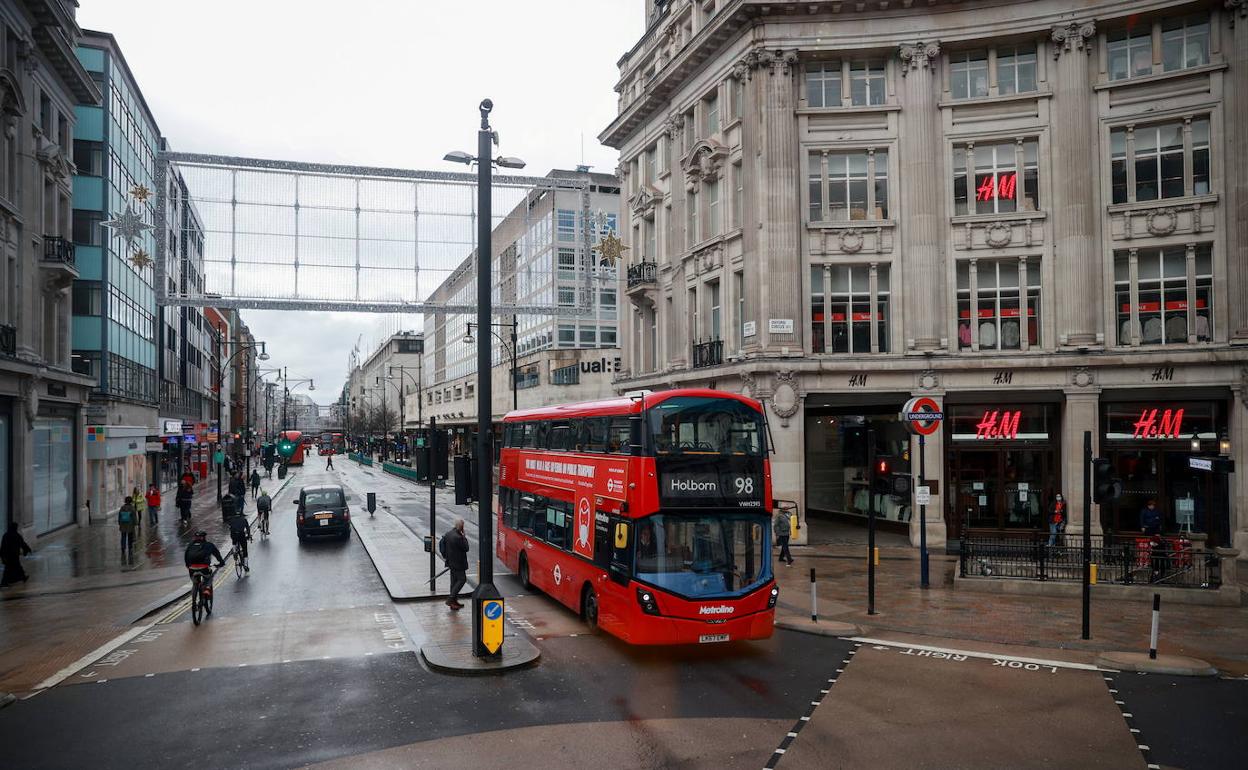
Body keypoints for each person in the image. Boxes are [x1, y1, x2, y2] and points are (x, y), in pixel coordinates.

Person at [440, 518, 470, 610]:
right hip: (458, 563)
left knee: (453, 582)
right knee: (462, 579)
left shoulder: (448, 534)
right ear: (461, 526)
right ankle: (450, 599)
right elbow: (466, 548)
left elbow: (442, 545)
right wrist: (464, 536)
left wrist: (446, 556)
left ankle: (453, 603)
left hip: (451, 562)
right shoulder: (458, 537)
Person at [1, 522, 32, 587]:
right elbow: (23, 544)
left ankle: (6, 581)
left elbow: (3, 547)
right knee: (15, 567)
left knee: (10, 568)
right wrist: (28, 549)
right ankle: (5, 582)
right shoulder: (17, 535)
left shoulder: (6, 535)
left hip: (8, 556)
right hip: (14, 555)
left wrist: (2, 556)